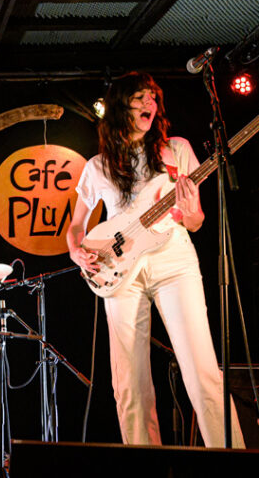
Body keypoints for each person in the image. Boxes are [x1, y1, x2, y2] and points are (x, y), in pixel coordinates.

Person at [66, 72, 244, 448]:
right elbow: (77, 226)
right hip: (118, 269)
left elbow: (195, 222)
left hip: (173, 260)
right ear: (120, 106)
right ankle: (145, 471)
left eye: (153, 97)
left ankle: (234, 465)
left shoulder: (175, 150)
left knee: (202, 369)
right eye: (140, 97)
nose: (150, 103)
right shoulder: (98, 165)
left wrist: (190, 209)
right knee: (129, 382)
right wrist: (76, 251)